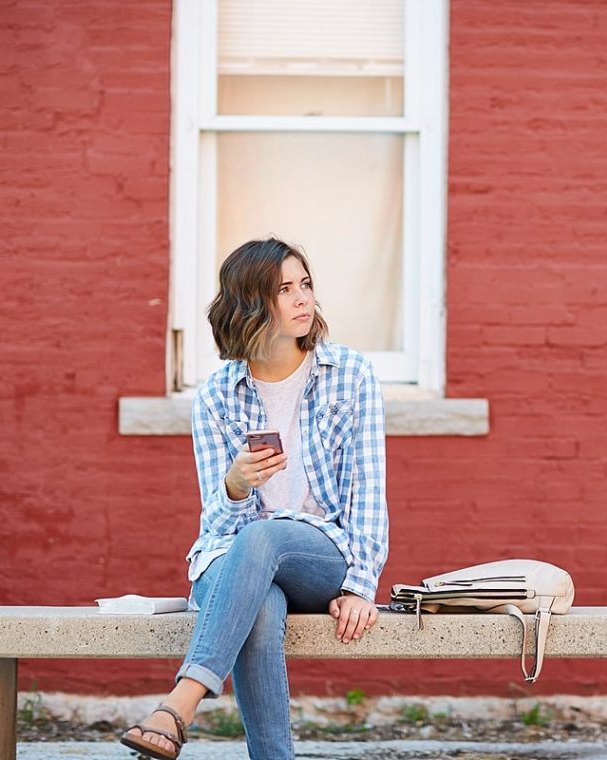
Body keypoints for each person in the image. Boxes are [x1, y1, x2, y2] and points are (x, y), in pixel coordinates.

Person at [120, 238, 389, 760]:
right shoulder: (218, 396)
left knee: (263, 536)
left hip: (320, 555)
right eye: (284, 289)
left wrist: (360, 586)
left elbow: (368, 493)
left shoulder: (351, 375)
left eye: (305, 284)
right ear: (249, 304)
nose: (302, 299)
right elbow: (219, 522)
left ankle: (180, 703)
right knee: (261, 600)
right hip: (231, 557)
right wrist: (236, 485)